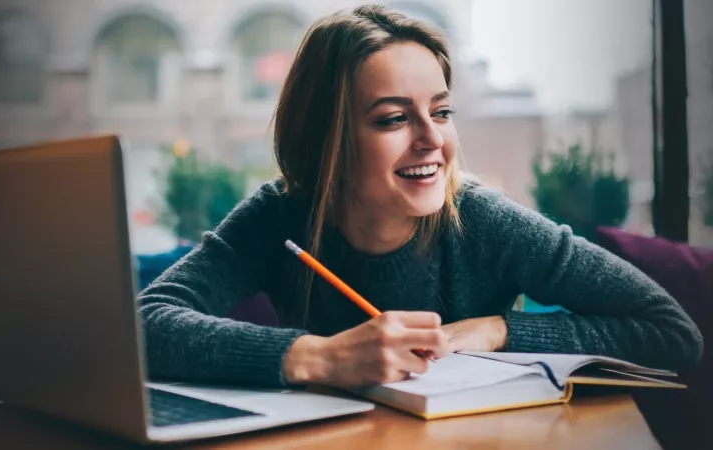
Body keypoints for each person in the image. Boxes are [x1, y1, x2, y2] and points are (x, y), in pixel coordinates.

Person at [138, 4, 703, 388]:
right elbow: (146, 322)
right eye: (392, 119)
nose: (432, 139)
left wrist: (499, 330)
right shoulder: (281, 215)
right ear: (324, 141)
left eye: (441, 111)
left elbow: (671, 333)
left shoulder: (484, 221)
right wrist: (317, 356)